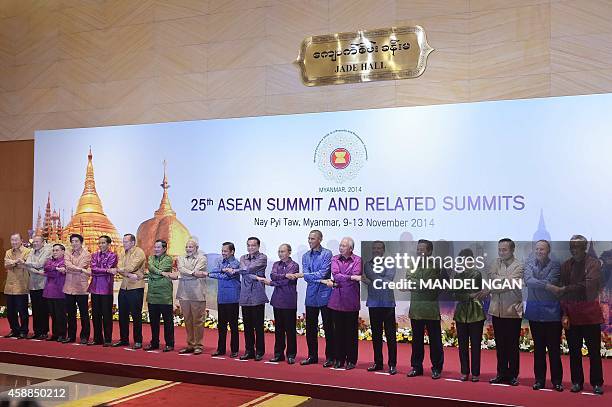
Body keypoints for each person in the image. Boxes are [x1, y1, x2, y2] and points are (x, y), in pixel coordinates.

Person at [549, 235, 604, 395]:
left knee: (594, 352)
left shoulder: (594, 264)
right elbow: (561, 291)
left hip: (590, 315)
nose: (574, 250)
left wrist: (566, 289)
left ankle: (597, 383)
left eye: (577, 247)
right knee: (574, 352)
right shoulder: (566, 265)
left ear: (584, 247)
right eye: (572, 247)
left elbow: (589, 285)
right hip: (571, 315)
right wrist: (564, 313)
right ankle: (577, 382)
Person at [481, 238, 523, 386]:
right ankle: (501, 373)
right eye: (499, 249)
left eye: (504, 249)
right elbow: (492, 278)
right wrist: (500, 280)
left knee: (512, 345)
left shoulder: (519, 266)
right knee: (500, 346)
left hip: (512, 311)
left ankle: (513, 375)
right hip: (496, 311)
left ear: (512, 250)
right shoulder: (494, 262)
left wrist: (492, 287)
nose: (501, 252)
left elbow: (510, 284)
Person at [524, 240, 563, 391]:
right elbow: (528, 281)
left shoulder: (555, 265)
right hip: (535, 313)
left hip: (552, 314)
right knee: (538, 350)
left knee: (554, 350)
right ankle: (539, 380)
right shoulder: (529, 264)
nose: (539, 251)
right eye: (537, 249)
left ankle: (557, 381)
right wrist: (547, 286)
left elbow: (552, 281)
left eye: (542, 249)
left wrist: (542, 284)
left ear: (548, 251)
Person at [406, 239, 444, 379]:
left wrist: (418, 284)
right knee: (416, 341)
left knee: (435, 341)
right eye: (418, 249)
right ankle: (416, 367)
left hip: (431, 309)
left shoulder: (436, 265)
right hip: (416, 309)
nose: (419, 252)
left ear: (429, 251)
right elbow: (409, 280)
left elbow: (431, 284)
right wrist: (420, 284)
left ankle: (437, 368)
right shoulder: (411, 264)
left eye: (422, 249)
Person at [325, 237, 362, 370]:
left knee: (351, 333)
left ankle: (351, 360)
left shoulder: (357, 260)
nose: (341, 248)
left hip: (351, 300)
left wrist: (346, 277)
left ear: (351, 248)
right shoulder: (335, 259)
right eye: (340, 245)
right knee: (337, 332)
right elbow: (336, 275)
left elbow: (357, 273)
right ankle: (339, 359)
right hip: (336, 301)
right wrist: (350, 277)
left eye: (344, 246)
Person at [258, 244, 299, 364]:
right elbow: (273, 276)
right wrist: (284, 276)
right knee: (279, 330)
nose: (280, 254)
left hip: (289, 301)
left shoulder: (294, 265)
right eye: (279, 251)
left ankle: (291, 355)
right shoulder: (276, 264)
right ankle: (278, 354)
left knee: (290, 330)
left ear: (289, 252)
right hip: (277, 300)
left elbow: (287, 281)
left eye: (283, 251)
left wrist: (272, 283)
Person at [299, 230, 334, 367]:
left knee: (328, 327)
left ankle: (330, 357)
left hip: (325, 295)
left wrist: (312, 276)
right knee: (311, 328)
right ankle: (312, 356)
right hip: (311, 295)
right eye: (308, 238)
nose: (310, 241)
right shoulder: (305, 256)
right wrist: (318, 278)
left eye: (312, 238)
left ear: (320, 239)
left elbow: (324, 272)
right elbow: (306, 276)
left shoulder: (327, 253)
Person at [362, 240, 397, 375]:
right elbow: (378, 278)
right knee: (376, 336)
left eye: (379, 248)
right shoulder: (367, 264)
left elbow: (390, 279)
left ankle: (392, 364)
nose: (376, 250)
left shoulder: (390, 262)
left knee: (391, 336)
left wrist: (373, 280)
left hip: (388, 303)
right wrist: (380, 279)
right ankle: (378, 363)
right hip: (374, 303)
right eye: (374, 248)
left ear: (383, 250)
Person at [451, 248, 485, 382]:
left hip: (475, 313)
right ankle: (464, 371)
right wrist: (465, 295)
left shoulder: (476, 274)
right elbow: (455, 294)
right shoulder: (457, 275)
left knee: (476, 345)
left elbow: (473, 292)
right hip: (461, 314)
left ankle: (475, 373)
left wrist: (462, 294)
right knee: (462, 345)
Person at [173, 237, 207, 355]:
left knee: (198, 320)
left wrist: (188, 273)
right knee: (187, 320)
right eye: (187, 247)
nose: (188, 249)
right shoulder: (180, 258)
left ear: (196, 248)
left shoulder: (202, 258)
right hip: (184, 293)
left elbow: (196, 270)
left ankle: (198, 345)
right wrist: (192, 273)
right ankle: (190, 344)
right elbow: (182, 269)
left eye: (191, 247)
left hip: (197, 294)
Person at [236, 237, 268, 360]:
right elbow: (245, 270)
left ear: (258, 246)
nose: (250, 248)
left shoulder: (262, 257)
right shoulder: (243, 257)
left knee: (258, 326)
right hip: (245, 295)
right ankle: (249, 351)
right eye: (248, 245)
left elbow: (248, 269)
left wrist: (240, 271)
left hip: (257, 294)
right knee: (247, 325)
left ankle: (260, 351)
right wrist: (254, 276)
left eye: (253, 245)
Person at [112, 234, 146, 349]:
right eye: (123, 241)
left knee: (136, 315)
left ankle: (138, 340)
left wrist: (121, 271)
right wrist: (126, 273)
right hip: (124, 287)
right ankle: (124, 339)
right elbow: (120, 267)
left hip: (136, 287)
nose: (124, 244)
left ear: (133, 242)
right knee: (122, 315)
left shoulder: (139, 252)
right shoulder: (122, 252)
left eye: (126, 242)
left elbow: (132, 267)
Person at [208, 242, 241, 358]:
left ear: (232, 252)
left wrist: (212, 273)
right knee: (221, 325)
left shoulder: (236, 263)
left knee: (233, 325)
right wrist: (220, 271)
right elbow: (214, 271)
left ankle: (234, 350)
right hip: (221, 297)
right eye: (222, 251)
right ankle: (220, 349)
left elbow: (226, 276)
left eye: (225, 251)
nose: (223, 253)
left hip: (232, 297)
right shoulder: (220, 262)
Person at [145, 239, 174, 352]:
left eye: (158, 247)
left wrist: (154, 274)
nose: (156, 249)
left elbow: (157, 270)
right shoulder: (151, 258)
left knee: (168, 322)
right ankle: (154, 343)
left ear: (164, 249)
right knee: (154, 322)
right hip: (152, 295)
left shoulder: (168, 259)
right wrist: (161, 274)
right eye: (155, 247)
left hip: (165, 296)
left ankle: (170, 344)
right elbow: (151, 268)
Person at [88, 235, 118, 346]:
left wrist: (101, 270)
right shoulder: (94, 255)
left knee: (106, 315)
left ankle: (108, 339)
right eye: (99, 243)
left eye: (103, 243)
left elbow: (101, 269)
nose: (101, 245)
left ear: (108, 244)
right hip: (95, 288)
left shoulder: (113, 255)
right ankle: (97, 338)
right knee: (95, 315)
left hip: (106, 288)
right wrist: (106, 270)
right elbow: (93, 269)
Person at [63, 233, 91, 345]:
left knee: (84, 314)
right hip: (69, 287)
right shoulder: (67, 252)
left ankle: (85, 336)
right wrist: (79, 269)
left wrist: (74, 268)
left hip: (81, 287)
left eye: (76, 241)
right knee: (70, 314)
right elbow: (68, 265)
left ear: (81, 242)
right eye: (72, 241)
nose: (74, 243)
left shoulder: (87, 254)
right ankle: (71, 336)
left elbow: (81, 265)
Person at [3, 233, 31, 339]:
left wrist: (13, 263)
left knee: (23, 311)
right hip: (9, 286)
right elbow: (6, 265)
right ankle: (14, 330)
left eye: (16, 240)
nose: (14, 242)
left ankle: (24, 331)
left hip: (21, 285)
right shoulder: (8, 252)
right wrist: (16, 262)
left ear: (21, 240)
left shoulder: (27, 251)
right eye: (12, 240)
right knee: (10, 312)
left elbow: (24, 264)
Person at [24, 235, 51, 340]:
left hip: (43, 284)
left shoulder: (47, 251)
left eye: (37, 242)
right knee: (35, 309)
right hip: (33, 284)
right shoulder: (31, 251)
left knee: (43, 309)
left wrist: (29, 264)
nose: (35, 244)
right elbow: (29, 266)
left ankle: (44, 331)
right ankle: (36, 331)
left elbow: (41, 263)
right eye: (33, 242)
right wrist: (33, 268)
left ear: (42, 242)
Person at [43, 244, 67, 342]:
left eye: (57, 250)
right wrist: (57, 268)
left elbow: (53, 271)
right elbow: (46, 268)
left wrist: (53, 269)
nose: (54, 252)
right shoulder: (49, 261)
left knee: (60, 314)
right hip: (49, 291)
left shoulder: (65, 261)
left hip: (60, 291)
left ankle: (62, 334)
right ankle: (55, 334)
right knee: (53, 314)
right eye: (53, 250)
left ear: (63, 251)